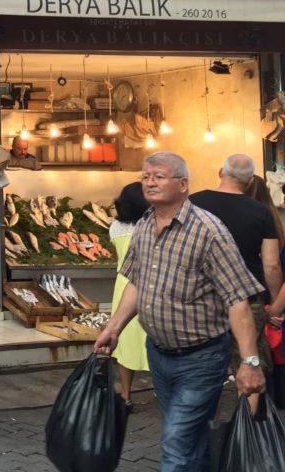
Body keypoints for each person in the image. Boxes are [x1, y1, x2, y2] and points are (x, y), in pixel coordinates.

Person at [95, 152, 266, 472]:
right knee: (191, 439)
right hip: (159, 354)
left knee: (175, 441)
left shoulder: (208, 231)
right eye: (146, 176)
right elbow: (135, 281)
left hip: (201, 358)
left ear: (183, 184)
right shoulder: (144, 226)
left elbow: (237, 300)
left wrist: (250, 362)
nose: (149, 181)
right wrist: (114, 326)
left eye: (159, 176)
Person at [190, 153, 282, 383]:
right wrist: (273, 303)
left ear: (221, 173)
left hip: (200, 297)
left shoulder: (191, 204)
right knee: (249, 361)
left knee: (202, 366)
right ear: (250, 181)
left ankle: (203, 415)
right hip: (248, 299)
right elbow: (271, 265)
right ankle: (247, 417)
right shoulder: (260, 212)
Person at [108, 181, 150, 409]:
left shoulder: (115, 227)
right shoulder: (152, 225)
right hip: (149, 282)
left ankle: (125, 394)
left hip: (124, 284)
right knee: (153, 337)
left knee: (126, 341)